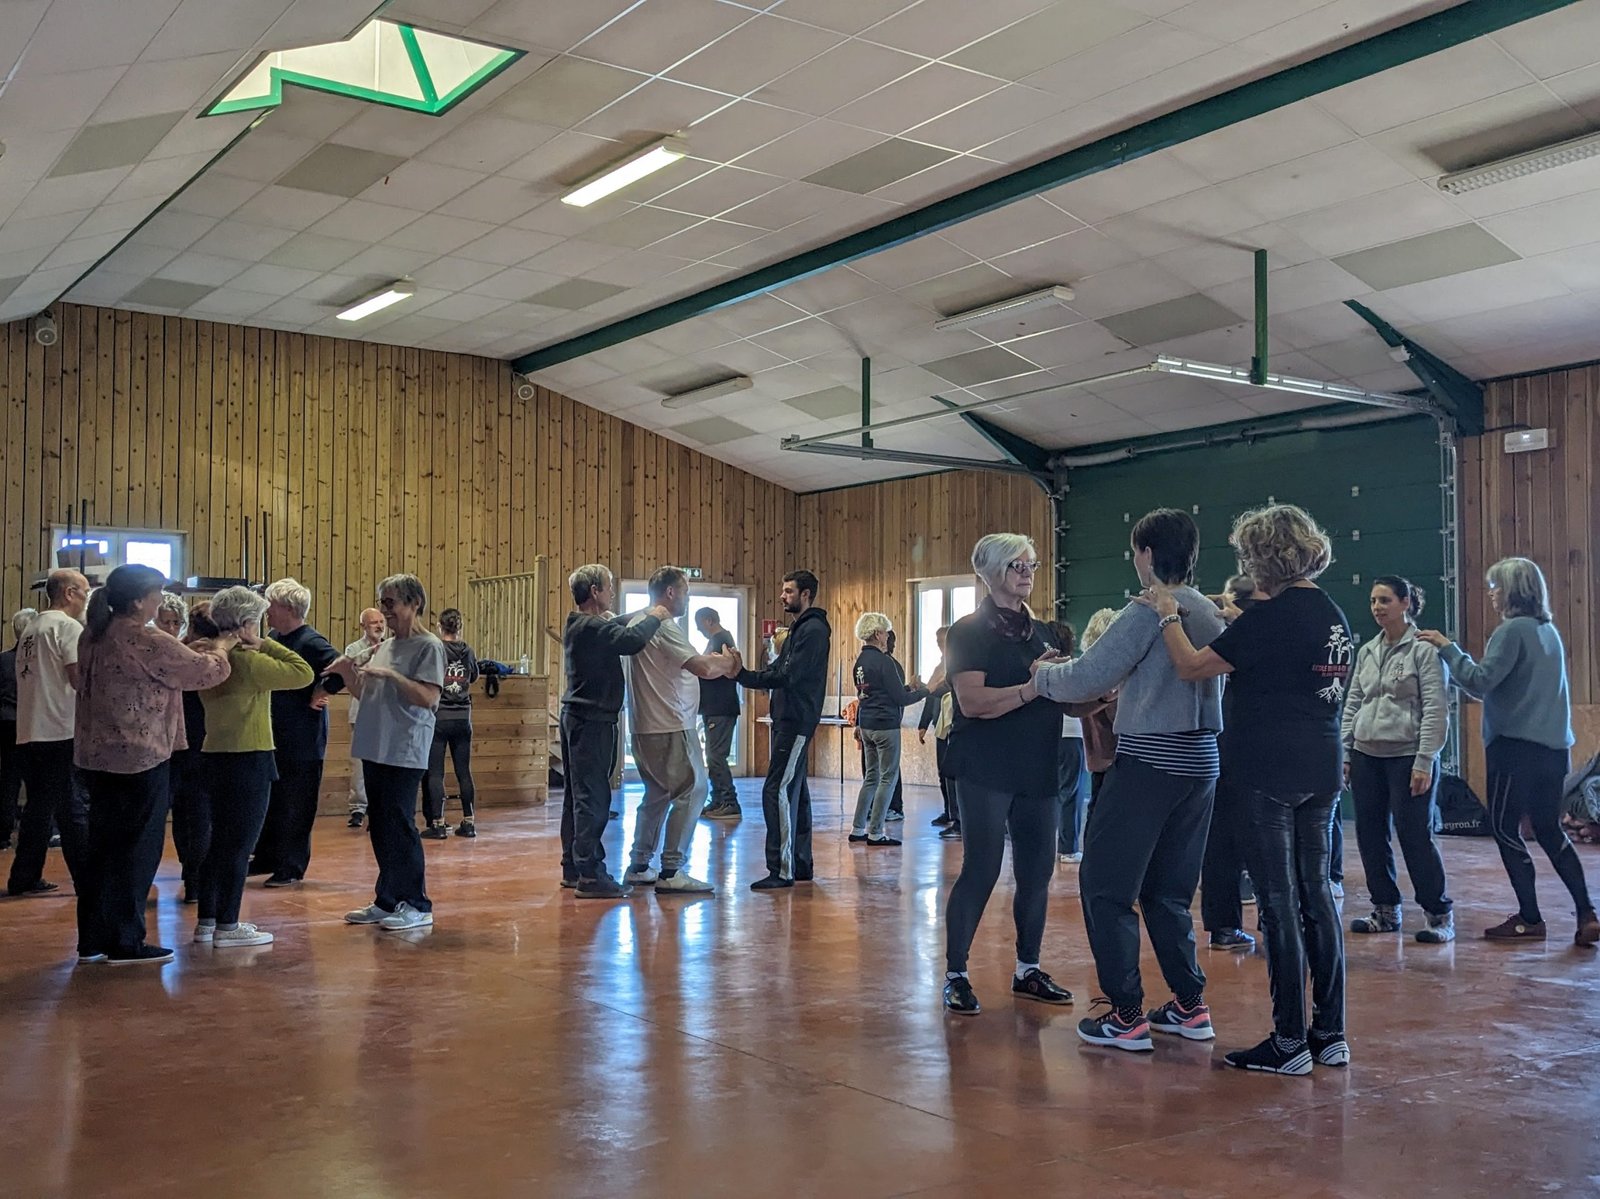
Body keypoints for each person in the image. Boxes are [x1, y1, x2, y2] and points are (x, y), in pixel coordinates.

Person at [1149, 504, 1353, 1076]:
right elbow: (1280, 654)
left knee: (1278, 904)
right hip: (1321, 766)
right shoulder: (1331, 613)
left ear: (1264, 558)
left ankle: (1288, 1040)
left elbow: (1191, 667)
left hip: (1267, 770)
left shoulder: (1269, 620)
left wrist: (1168, 613)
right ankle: (1329, 1033)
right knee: (1316, 896)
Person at [1031, 511, 1223, 1050]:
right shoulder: (1208, 611)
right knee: (1168, 893)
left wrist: (1039, 675)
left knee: (1105, 888)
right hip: (1202, 767)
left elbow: (1090, 676)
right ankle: (1189, 1005)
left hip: (1149, 764)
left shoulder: (1145, 611)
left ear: (1144, 554)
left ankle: (1125, 1015)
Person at [1420, 558, 1600, 946]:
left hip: (1514, 750)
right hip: (1554, 751)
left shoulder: (1510, 631)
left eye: (1495, 587)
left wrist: (1448, 649)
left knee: (1504, 828)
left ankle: (1530, 918)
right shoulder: (1547, 631)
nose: (1491, 594)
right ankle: (1587, 912)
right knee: (1551, 832)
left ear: (1513, 591)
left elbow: (1479, 682)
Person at [940, 534, 1073, 1015]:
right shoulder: (968, 632)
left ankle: (1028, 969)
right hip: (985, 766)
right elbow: (972, 703)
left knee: (1037, 872)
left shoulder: (1048, 633)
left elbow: (1065, 694)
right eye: (1018, 564)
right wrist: (1032, 687)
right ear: (993, 570)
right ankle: (956, 972)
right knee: (982, 868)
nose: (1028, 571)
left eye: (1032, 564)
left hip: (1037, 764)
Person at [74, 565, 233, 964]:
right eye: (157, 595)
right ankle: (126, 941)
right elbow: (205, 673)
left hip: (96, 754)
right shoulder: (145, 638)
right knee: (136, 852)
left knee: (103, 850)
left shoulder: (94, 633)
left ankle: (92, 938)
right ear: (138, 600)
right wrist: (222, 648)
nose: (160, 601)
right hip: (139, 755)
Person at [193, 587, 314, 948]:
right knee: (239, 846)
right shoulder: (247, 662)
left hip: (214, 753)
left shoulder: (206, 654)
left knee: (217, 843)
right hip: (250, 756)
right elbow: (303, 672)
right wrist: (265, 644)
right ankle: (229, 925)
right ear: (246, 623)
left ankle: (207, 920)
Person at [327, 574, 445, 932]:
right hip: (375, 744)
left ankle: (418, 904)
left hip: (404, 747)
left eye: (390, 603)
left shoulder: (429, 646)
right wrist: (349, 675)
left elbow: (428, 698)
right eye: (382, 603)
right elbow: (369, 694)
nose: (385, 611)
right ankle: (388, 898)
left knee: (399, 825)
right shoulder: (386, 646)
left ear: (414, 603)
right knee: (379, 826)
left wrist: (392, 676)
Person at [1343, 575, 1454, 943]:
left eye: (1385, 600)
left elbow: (1437, 709)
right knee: (1370, 835)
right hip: (1366, 756)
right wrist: (1346, 750)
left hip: (1408, 757)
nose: (1377, 607)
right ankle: (1385, 910)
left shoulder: (1424, 650)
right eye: (1374, 600)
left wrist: (1425, 760)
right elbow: (1354, 702)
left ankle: (1439, 915)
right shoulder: (1368, 651)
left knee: (1414, 836)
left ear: (1406, 603)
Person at [622, 568, 739, 893]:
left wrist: (716, 662)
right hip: (670, 723)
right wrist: (729, 665)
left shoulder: (640, 622)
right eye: (685, 591)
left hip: (645, 727)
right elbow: (700, 666)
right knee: (694, 790)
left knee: (658, 794)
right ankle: (672, 869)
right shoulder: (661, 624)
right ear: (671, 592)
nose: (686, 599)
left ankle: (639, 864)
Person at [557, 564, 669, 899]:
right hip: (591, 721)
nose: (611, 592)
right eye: (608, 587)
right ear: (595, 591)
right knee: (594, 798)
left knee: (577, 796)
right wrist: (657, 616)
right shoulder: (590, 627)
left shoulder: (582, 624)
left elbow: (616, 625)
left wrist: (644, 611)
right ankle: (591, 875)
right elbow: (631, 640)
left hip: (580, 717)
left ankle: (573, 867)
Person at [734, 569, 830, 892]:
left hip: (796, 719)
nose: (782, 596)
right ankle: (800, 865)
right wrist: (743, 675)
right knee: (795, 791)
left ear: (805, 595)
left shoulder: (813, 630)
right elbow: (777, 669)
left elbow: (788, 676)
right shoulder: (798, 630)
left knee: (776, 789)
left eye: (788, 591)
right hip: (788, 718)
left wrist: (742, 675)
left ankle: (782, 868)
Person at [249, 578, 342, 888]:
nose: (267, 613)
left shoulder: (312, 642)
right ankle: (265, 857)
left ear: (288, 609)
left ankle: (291, 866)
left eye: (271, 607)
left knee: (296, 804)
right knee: (273, 800)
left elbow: (341, 669)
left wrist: (323, 689)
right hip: (275, 734)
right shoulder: (275, 637)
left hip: (304, 739)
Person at [8, 570, 90, 899]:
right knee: (72, 806)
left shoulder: (32, 627)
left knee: (39, 807)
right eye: (84, 591)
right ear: (69, 593)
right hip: (60, 728)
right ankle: (88, 877)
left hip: (31, 729)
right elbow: (77, 678)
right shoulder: (67, 627)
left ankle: (24, 876)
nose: (87, 598)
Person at [1202, 576, 1268, 953]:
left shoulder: (1223, 629)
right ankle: (1273, 920)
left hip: (1222, 744)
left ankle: (1224, 927)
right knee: (1268, 841)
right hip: (1258, 747)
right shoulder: (1264, 627)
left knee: (1220, 840)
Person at [847, 613, 927, 847]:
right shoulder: (885, 661)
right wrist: (925, 691)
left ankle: (858, 827)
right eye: (885, 632)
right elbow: (900, 698)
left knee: (871, 777)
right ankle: (876, 832)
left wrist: (907, 687)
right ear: (877, 634)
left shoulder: (860, 662)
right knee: (887, 779)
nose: (887, 636)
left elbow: (871, 694)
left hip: (868, 724)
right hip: (885, 726)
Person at [422, 608, 480, 840]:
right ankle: (469, 821)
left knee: (436, 772)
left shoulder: (435, 649)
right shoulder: (468, 650)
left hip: (439, 715)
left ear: (439, 626)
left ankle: (438, 822)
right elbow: (474, 676)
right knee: (463, 771)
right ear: (460, 627)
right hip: (463, 716)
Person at [1045, 621, 1088, 866]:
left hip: (1048, 735)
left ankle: (1047, 843)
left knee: (1051, 790)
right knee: (1072, 792)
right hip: (1071, 735)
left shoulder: (1043, 667)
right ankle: (1068, 848)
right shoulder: (1073, 667)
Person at [695, 607, 742, 820]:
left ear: (708, 620)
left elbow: (714, 668)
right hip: (714, 707)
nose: (698, 629)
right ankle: (718, 799)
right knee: (713, 755)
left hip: (720, 707)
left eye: (699, 624)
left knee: (716, 756)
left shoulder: (721, 639)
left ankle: (729, 801)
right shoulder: (719, 640)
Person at [342, 608, 386, 828]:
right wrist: (371, 652)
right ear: (363, 626)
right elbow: (350, 668)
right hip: (361, 712)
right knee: (360, 764)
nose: (379, 626)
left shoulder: (391, 647)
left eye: (381, 621)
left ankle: (380, 808)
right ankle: (358, 807)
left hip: (386, 714)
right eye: (373, 623)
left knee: (383, 763)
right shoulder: (355, 648)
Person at [1076, 608, 1120, 816]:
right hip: (1115, 757)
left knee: (1097, 812)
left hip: (1097, 757)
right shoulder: (1112, 673)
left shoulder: (1086, 668)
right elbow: (1115, 716)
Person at [0, 608, 35, 852]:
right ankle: (35, 832)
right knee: (37, 782)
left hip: (4, 723)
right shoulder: (37, 663)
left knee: (8, 779)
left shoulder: (2, 659)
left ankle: (2, 832)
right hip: (31, 724)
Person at [919, 626, 956, 836]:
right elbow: (931, 695)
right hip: (939, 724)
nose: (939, 645)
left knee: (951, 772)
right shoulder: (939, 665)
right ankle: (948, 811)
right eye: (937, 641)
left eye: (942, 641)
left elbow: (944, 688)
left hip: (952, 723)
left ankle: (956, 815)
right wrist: (923, 724)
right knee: (942, 772)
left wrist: (929, 687)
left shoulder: (958, 663)